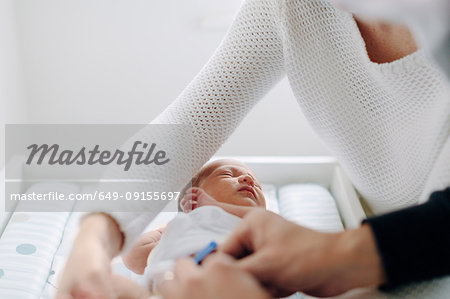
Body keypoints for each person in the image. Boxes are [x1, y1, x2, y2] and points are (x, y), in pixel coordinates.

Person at [57, 0, 449, 297]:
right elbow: (183, 128)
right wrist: (96, 233)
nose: (246, 180)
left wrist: (338, 256)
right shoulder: (289, 7)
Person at [121, 158, 266, 276]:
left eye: (258, 185)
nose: (248, 179)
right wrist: (166, 235)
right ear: (192, 196)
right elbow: (133, 257)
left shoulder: (261, 229)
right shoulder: (180, 226)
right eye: (227, 174)